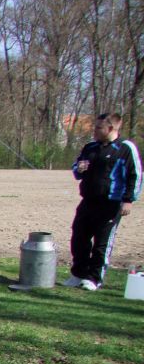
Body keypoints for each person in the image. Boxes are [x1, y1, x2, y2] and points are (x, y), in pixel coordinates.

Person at [65, 112, 141, 291]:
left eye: (99, 128)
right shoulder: (90, 147)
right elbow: (77, 169)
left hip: (111, 204)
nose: (95, 131)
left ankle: (94, 278)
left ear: (111, 128)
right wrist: (80, 168)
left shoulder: (125, 148)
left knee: (101, 243)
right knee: (79, 237)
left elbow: (135, 175)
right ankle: (79, 274)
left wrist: (128, 200)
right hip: (88, 201)